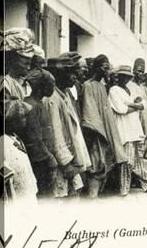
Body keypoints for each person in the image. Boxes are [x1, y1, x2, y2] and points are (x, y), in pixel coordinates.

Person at [44, 55, 92, 198]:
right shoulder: (52, 98)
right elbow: (56, 134)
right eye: (72, 73)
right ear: (61, 74)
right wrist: (67, 163)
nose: (75, 77)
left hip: (71, 158)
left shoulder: (64, 95)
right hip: (63, 163)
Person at [80, 55, 127, 198]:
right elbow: (90, 112)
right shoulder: (88, 85)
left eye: (108, 68)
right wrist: (100, 132)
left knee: (103, 164)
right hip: (95, 132)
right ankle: (91, 197)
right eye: (104, 67)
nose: (107, 71)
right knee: (96, 163)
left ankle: (94, 197)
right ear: (96, 67)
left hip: (105, 130)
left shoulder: (102, 86)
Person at [109, 65, 147, 196]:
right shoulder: (114, 90)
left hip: (135, 127)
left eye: (127, 77)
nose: (125, 79)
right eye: (122, 76)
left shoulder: (130, 90)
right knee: (127, 161)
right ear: (118, 76)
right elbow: (121, 109)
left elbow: (143, 103)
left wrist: (130, 104)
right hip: (124, 130)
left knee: (141, 157)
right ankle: (124, 187)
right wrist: (136, 106)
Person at [22, 69, 61, 198]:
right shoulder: (31, 106)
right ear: (41, 86)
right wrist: (49, 158)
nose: (53, 87)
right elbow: (34, 139)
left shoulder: (39, 104)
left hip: (44, 160)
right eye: (51, 84)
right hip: (39, 163)